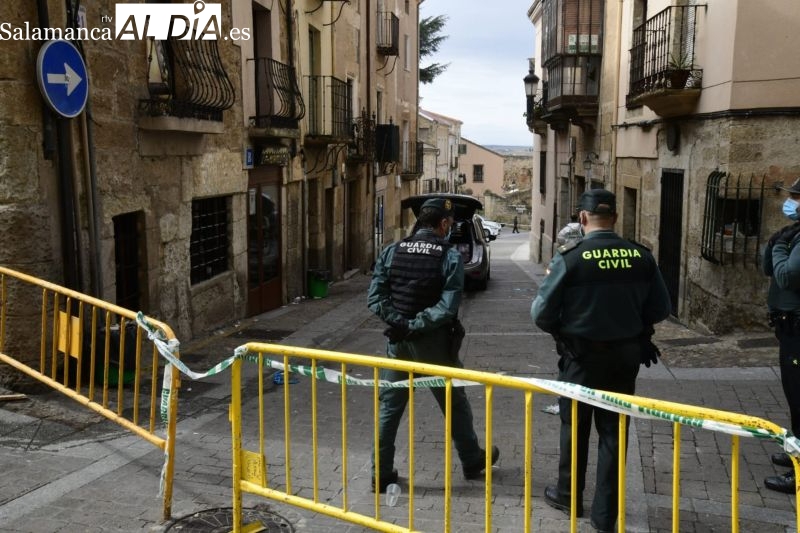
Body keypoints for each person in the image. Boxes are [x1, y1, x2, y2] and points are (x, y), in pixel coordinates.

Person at [530, 189, 671, 532]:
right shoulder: (641, 256)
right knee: (614, 431)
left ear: (582, 218)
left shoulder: (571, 256)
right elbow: (661, 308)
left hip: (581, 358)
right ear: (616, 219)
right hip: (625, 358)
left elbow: (541, 313)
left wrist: (564, 329)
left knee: (574, 426)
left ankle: (569, 495)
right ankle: (605, 515)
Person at [367, 197, 499, 493]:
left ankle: (380, 473)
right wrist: (416, 325)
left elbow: (375, 298)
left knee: (389, 408)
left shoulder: (392, 250)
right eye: (450, 224)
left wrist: (400, 323)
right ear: (442, 224)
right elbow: (448, 306)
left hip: (398, 345)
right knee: (455, 404)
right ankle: (471, 459)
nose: (450, 228)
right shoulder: (449, 256)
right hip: (435, 347)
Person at [762, 177, 800, 494]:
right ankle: (796, 455)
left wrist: (780, 247)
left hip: (798, 327)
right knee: (793, 393)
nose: (791, 202)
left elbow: (786, 275)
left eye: (796, 198)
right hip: (789, 326)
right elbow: (769, 268)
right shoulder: (794, 234)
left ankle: (799, 476)